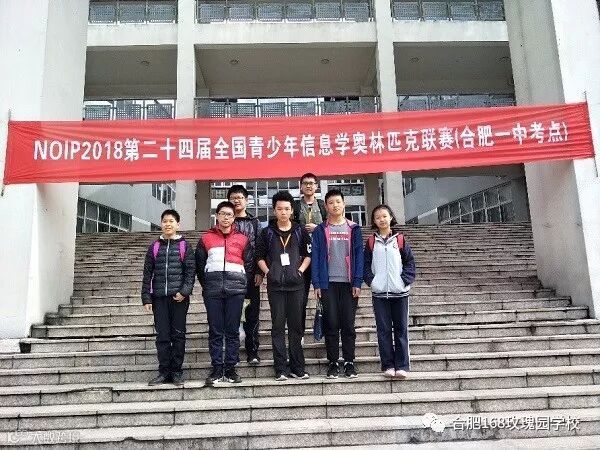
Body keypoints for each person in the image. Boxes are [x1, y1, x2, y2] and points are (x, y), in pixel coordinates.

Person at [256, 191, 312, 381]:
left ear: (292, 210)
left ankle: (298, 368)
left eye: (287, 209)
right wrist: (269, 272)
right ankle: (280, 368)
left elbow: (308, 254)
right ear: (274, 210)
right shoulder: (267, 232)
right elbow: (259, 256)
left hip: (296, 286)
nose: (283, 212)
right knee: (278, 327)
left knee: (296, 327)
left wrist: (300, 271)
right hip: (276, 287)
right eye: (279, 209)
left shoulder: (300, 230)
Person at [196, 201, 253, 385]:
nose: (226, 217)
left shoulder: (243, 239)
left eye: (229, 214)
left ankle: (230, 369)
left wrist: (243, 284)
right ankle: (216, 368)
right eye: (222, 214)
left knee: (232, 331)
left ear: (234, 217)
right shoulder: (206, 238)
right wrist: (207, 284)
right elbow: (199, 265)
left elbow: (249, 265)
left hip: (236, 290)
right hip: (212, 290)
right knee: (215, 330)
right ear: (217, 216)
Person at [311, 189, 364, 379]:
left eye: (338, 202)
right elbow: (316, 256)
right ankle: (333, 362)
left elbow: (359, 256)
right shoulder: (320, 230)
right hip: (328, 284)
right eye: (331, 202)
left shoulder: (354, 229)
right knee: (331, 323)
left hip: (349, 284)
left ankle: (349, 362)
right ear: (326, 206)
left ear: (344, 204)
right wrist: (317, 283)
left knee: (348, 324)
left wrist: (357, 281)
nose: (335, 205)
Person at [141, 209, 195, 386]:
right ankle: (164, 372)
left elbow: (190, 272)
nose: (168, 224)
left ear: (178, 224)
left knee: (178, 335)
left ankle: (177, 372)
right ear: (161, 224)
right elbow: (147, 273)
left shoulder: (185, 246)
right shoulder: (154, 246)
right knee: (162, 336)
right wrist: (146, 297)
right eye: (165, 221)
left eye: (171, 221)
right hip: (159, 299)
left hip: (179, 298)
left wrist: (184, 292)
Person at [363, 205, 416, 379]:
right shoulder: (371, 242)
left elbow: (409, 263)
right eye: (378, 217)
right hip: (380, 294)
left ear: (391, 217)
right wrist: (372, 282)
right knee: (383, 330)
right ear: (374, 221)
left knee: (401, 329)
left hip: (400, 293)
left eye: (384, 216)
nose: (382, 219)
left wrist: (404, 281)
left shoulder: (400, 240)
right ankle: (388, 365)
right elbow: (366, 265)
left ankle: (402, 365)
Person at [227, 184, 263, 365]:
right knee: (231, 314)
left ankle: (252, 351)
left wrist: (259, 271)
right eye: (233, 198)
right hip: (230, 276)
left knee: (252, 315)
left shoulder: (255, 223)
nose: (237, 200)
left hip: (250, 276)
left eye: (240, 197)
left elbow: (260, 248)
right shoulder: (226, 222)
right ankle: (232, 352)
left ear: (247, 201)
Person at [293, 172, 327, 345]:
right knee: (301, 299)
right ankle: (299, 334)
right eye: (305, 183)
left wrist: (317, 228)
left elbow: (330, 225)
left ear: (316, 186)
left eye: (311, 183)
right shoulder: (294, 205)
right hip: (301, 257)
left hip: (321, 256)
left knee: (326, 296)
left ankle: (327, 331)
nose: (308, 186)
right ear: (301, 186)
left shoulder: (322, 205)